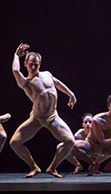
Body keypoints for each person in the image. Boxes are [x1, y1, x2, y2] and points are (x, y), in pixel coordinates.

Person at [10, 43, 77, 178]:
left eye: (36, 64)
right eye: (31, 64)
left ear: (39, 64)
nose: (34, 67)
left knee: (70, 141)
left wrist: (71, 94)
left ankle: (52, 168)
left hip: (53, 117)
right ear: (26, 65)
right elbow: (15, 71)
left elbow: (57, 83)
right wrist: (16, 55)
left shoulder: (47, 74)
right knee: (14, 143)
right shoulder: (26, 83)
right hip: (37, 118)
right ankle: (34, 167)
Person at [71, 93, 111, 176]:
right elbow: (101, 141)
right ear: (108, 106)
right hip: (92, 145)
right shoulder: (98, 120)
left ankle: (110, 166)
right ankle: (93, 163)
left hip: (106, 148)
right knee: (72, 146)